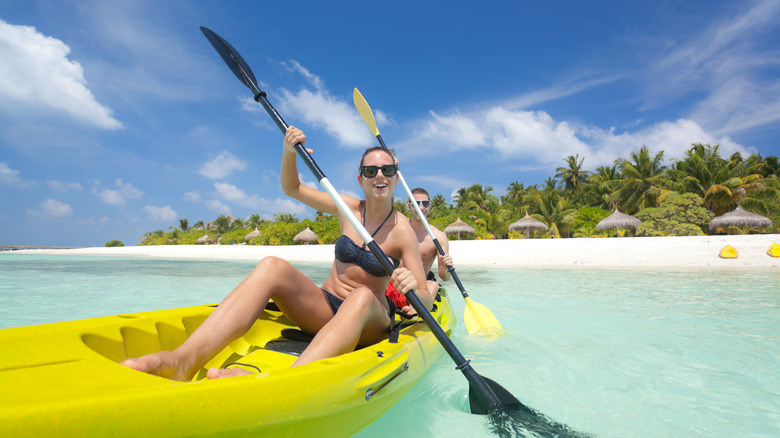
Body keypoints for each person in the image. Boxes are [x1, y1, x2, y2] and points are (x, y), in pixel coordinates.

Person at [120, 126, 432, 380]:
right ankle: (183, 360)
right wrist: (289, 152)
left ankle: (289, 380)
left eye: (387, 169)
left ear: (395, 176)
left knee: (361, 296)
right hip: (324, 308)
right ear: (361, 178)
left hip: (369, 321)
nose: (379, 175)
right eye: (371, 170)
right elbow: (292, 189)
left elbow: (424, 295)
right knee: (271, 265)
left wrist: (408, 283)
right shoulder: (348, 208)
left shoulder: (402, 230)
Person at [385, 188, 454, 315]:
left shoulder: (438, 237)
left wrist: (447, 266)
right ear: (409, 206)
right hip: (394, 285)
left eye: (425, 203)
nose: (421, 207)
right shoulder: (399, 228)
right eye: (416, 203)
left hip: (418, 292)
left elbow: (444, 277)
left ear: (430, 206)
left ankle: (411, 316)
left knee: (433, 285)